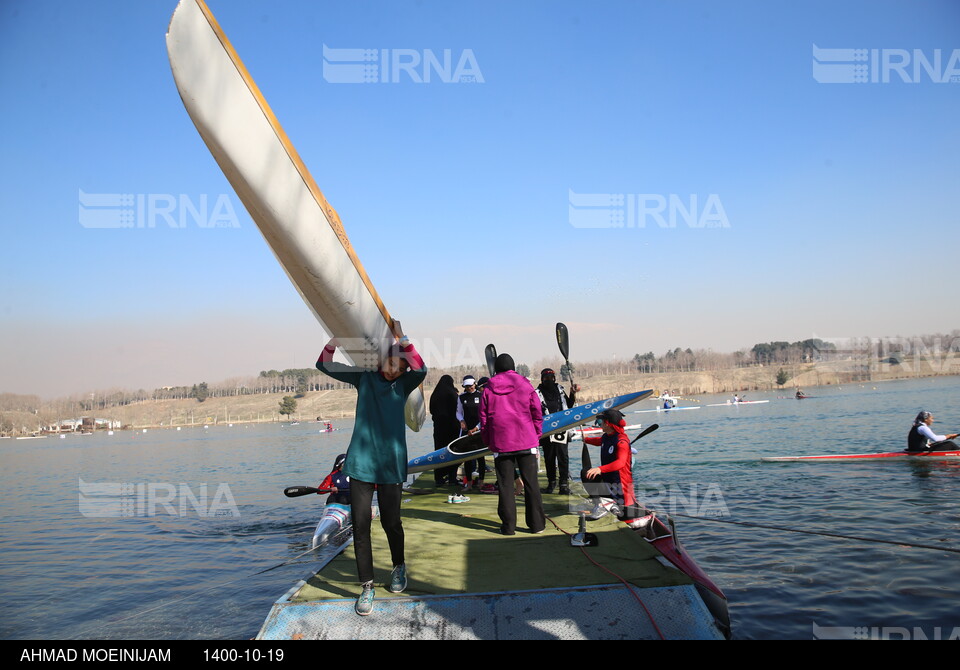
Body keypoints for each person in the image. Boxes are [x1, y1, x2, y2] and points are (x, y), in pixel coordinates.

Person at [315, 322, 426, 616]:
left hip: (390, 464)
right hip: (361, 464)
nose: (394, 371)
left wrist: (405, 342)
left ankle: (399, 567)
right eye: (392, 364)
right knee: (361, 527)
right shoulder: (363, 378)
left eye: (400, 368)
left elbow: (421, 371)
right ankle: (367, 586)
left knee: (392, 523)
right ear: (381, 361)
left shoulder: (402, 384)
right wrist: (334, 341)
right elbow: (323, 365)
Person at [479, 353, 545, 535]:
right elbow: (537, 412)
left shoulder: (488, 389)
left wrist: (489, 441)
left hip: (501, 443)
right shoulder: (526, 385)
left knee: (505, 486)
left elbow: (483, 420)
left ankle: (508, 527)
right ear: (513, 368)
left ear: (496, 369)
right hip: (526, 439)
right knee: (531, 484)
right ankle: (537, 525)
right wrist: (536, 434)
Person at [582, 408, 638, 522]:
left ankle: (626, 515)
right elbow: (599, 441)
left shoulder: (621, 442)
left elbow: (621, 463)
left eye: (601, 422)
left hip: (621, 485)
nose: (600, 424)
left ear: (607, 423)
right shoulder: (607, 436)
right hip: (609, 480)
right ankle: (602, 504)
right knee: (586, 473)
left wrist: (600, 469)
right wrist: (585, 439)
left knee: (628, 519)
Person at [536, 368, 578, 495]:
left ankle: (563, 484)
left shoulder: (559, 390)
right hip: (547, 430)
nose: (549, 380)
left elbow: (569, 405)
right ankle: (551, 483)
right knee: (549, 458)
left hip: (561, 429)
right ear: (542, 379)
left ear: (554, 378)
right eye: (546, 378)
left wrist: (572, 393)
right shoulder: (537, 393)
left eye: (551, 377)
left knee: (563, 457)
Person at [430, 375, 461, 488]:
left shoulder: (435, 394)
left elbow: (432, 410)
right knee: (453, 451)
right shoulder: (452, 394)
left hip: (439, 428)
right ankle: (452, 477)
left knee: (439, 452)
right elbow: (457, 410)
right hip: (452, 428)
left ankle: (439, 478)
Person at [457, 375, 485, 491]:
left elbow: (484, 413)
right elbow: (458, 412)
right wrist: (461, 420)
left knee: (480, 457)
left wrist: (477, 427)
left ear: (475, 384)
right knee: (467, 457)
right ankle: (468, 483)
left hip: (479, 429)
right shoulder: (461, 397)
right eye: (467, 386)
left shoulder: (481, 395)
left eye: (471, 386)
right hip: (467, 430)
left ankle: (481, 482)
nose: (469, 388)